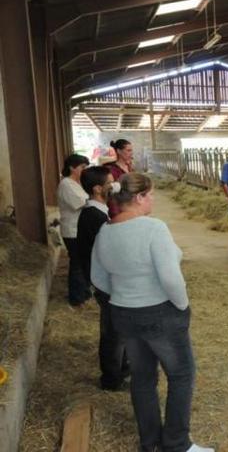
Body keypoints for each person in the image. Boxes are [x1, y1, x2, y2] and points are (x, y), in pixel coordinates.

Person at [91, 173, 212, 452]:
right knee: (181, 375)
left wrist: (124, 294)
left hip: (123, 313)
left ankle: (150, 442)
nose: (153, 200)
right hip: (159, 313)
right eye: (151, 194)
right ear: (138, 198)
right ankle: (177, 444)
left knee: (143, 378)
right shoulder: (153, 228)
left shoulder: (105, 231)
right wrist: (181, 305)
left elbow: (97, 277)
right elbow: (170, 277)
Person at [77, 166, 128, 391]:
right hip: (105, 282)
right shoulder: (94, 217)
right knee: (112, 332)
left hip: (108, 280)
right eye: (110, 182)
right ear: (98, 189)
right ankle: (111, 379)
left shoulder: (99, 212)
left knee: (118, 329)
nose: (114, 185)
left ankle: (123, 368)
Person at [57, 153, 91, 306]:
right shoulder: (66, 184)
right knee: (77, 263)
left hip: (79, 229)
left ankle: (83, 292)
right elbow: (81, 203)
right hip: (72, 230)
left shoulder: (76, 183)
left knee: (82, 262)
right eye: (82, 167)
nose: (84, 170)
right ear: (72, 167)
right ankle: (76, 297)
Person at [104, 139, 133, 218]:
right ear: (119, 151)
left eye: (131, 150)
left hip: (130, 203)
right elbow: (109, 192)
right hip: (117, 205)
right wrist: (115, 212)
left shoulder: (129, 166)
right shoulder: (111, 169)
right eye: (128, 150)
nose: (131, 153)